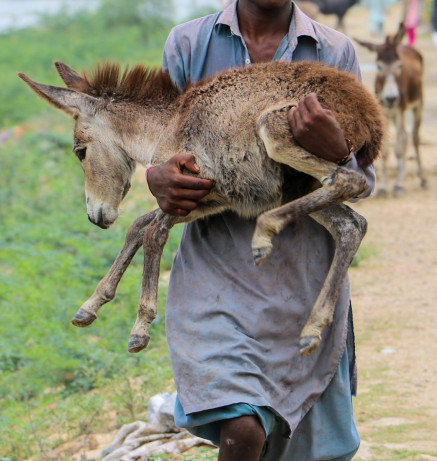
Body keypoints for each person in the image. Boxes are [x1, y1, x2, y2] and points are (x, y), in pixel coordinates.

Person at [146, 1, 376, 459]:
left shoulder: (333, 50)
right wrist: (157, 178)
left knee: (305, 450)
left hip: (302, 279)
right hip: (217, 276)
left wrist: (340, 151)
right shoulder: (189, 44)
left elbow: (362, 181)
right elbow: (161, 146)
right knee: (242, 426)